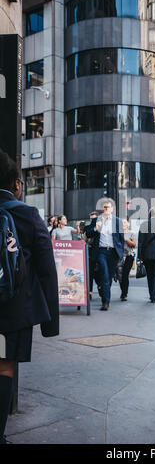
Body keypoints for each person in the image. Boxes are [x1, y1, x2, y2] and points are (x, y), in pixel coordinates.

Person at [0, 149, 59, 445]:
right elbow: (47, 269)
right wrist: (51, 323)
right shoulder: (26, 214)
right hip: (13, 310)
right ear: (16, 185)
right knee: (4, 366)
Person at [85, 199, 124, 311]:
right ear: (102, 209)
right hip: (101, 251)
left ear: (112, 209)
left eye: (108, 207)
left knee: (109, 277)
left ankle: (105, 293)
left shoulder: (117, 221)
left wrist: (120, 252)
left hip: (113, 252)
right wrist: (95, 228)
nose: (106, 209)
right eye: (104, 207)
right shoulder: (97, 220)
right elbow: (88, 234)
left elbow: (121, 238)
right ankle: (105, 301)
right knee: (104, 274)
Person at [138, 208, 155, 303]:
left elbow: (140, 241)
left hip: (147, 254)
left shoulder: (144, 224)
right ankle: (154, 296)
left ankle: (151, 294)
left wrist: (140, 256)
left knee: (150, 276)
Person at [82, 211, 100, 300]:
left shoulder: (101, 226)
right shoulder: (87, 228)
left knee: (98, 273)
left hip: (98, 251)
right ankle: (89, 292)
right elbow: (84, 237)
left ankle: (100, 289)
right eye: (90, 218)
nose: (91, 220)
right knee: (89, 273)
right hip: (88, 251)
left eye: (93, 218)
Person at [118, 219, 136, 301]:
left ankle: (124, 294)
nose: (123, 224)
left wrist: (126, 240)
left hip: (129, 256)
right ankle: (123, 291)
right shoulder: (118, 233)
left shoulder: (132, 233)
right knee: (120, 276)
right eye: (122, 223)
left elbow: (134, 245)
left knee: (125, 275)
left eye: (125, 222)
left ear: (128, 223)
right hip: (119, 256)